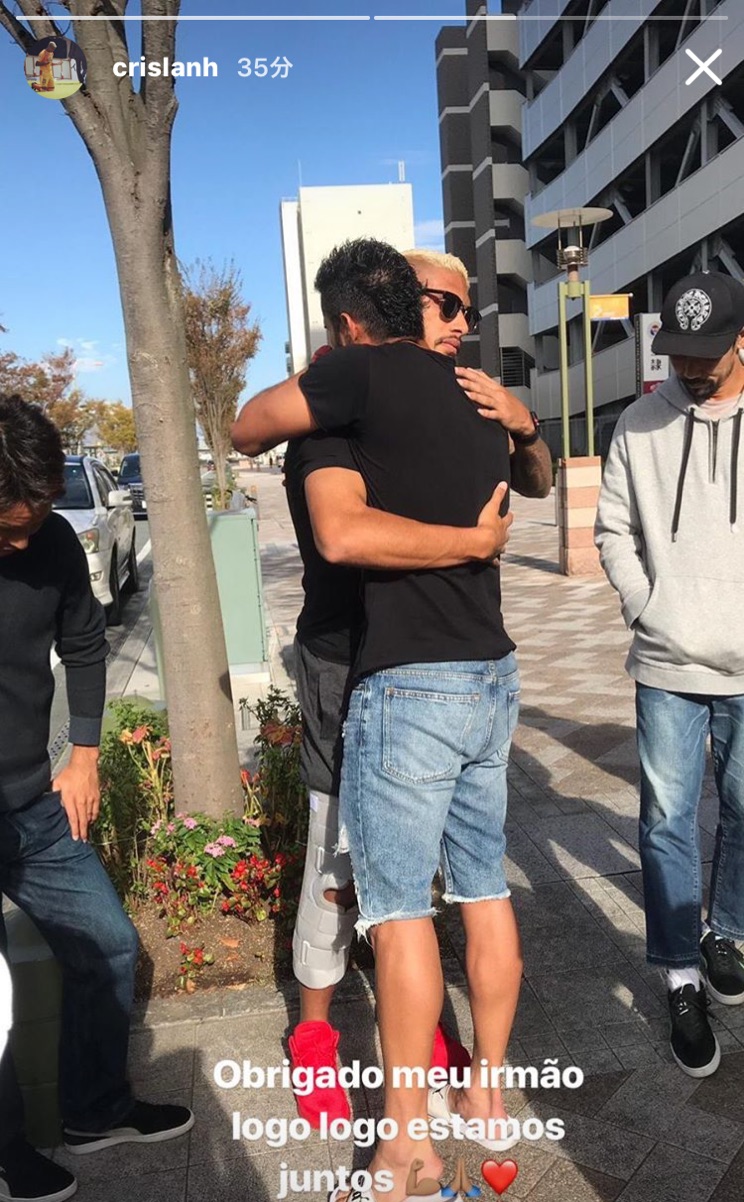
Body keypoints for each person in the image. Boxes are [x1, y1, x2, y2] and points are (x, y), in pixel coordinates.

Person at [232, 239, 524, 1202]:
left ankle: (405, 1149)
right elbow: (519, 478)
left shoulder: (347, 389)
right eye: (451, 307)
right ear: (422, 308)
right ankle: (484, 1094)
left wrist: (465, 542)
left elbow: (320, 508)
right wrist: (478, 538)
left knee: (396, 915)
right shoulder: (481, 404)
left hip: (407, 681)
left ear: (348, 324)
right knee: (483, 891)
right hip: (491, 674)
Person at [0, 396, 194, 1202]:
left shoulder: (48, 539)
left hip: (32, 803)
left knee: (109, 944)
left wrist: (83, 756)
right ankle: (6, 1153)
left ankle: (94, 1110)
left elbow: (83, 643)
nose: (24, 541)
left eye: (34, 521)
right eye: (8, 529)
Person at [596, 270, 744, 1079]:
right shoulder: (639, 422)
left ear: (741, 340)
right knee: (666, 823)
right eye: (678, 353)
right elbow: (613, 527)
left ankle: (728, 932)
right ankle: (681, 974)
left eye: (705, 354)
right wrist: (644, 604)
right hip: (666, 660)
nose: (688, 368)